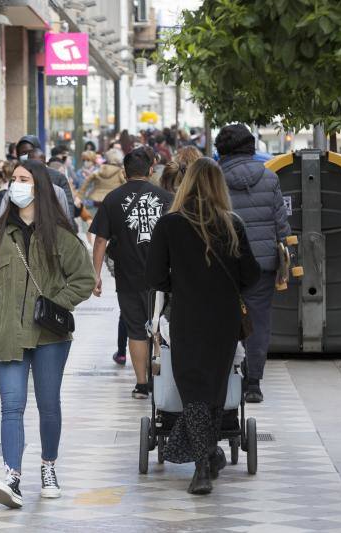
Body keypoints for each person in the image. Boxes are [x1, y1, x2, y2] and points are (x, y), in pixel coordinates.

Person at [0, 160, 95, 509]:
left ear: (39, 187)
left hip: (49, 336)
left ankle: (48, 467)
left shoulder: (61, 236)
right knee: (11, 407)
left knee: (48, 404)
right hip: (8, 333)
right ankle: (12, 476)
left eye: (24, 179)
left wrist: (55, 305)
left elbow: (84, 280)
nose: (16, 185)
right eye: (13, 179)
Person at [146, 157, 260, 495]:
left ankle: (202, 468)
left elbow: (153, 277)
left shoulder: (169, 225)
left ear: (187, 184)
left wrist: (181, 282)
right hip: (224, 321)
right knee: (213, 390)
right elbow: (250, 275)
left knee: (193, 391)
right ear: (217, 185)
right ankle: (208, 456)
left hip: (187, 319)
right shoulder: (232, 224)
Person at [90, 147, 173, 398]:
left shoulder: (112, 199)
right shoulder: (166, 198)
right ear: (150, 170)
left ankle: (141, 384)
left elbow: (100, 241)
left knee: (136, 329)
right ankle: (162, 380)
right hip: (162, 276)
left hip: (127, 276)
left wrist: (96, 275)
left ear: (125, 172)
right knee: (161, 328)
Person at [217, 124, 291, 403]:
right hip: (261, 265)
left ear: (221, 150)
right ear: (251, 147)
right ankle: (253, 383)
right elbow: (281, 226)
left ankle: (223, 375)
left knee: (222, 319)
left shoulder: (215, 180)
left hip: (224, 265)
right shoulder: (270, 178)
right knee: (258, 323)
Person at [15, 135, 74, 209]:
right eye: (23, 153)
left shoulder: (58, 177)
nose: (27, 156)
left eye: (30, 152)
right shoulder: (15, 177)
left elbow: (68, 207)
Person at [77, 148, 126, 214]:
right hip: (114, 201)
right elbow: (127, 185)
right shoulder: (120, 172)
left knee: (95, 222)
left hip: (96, 200)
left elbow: (87, 182)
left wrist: (79, 197)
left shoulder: (99, 169)